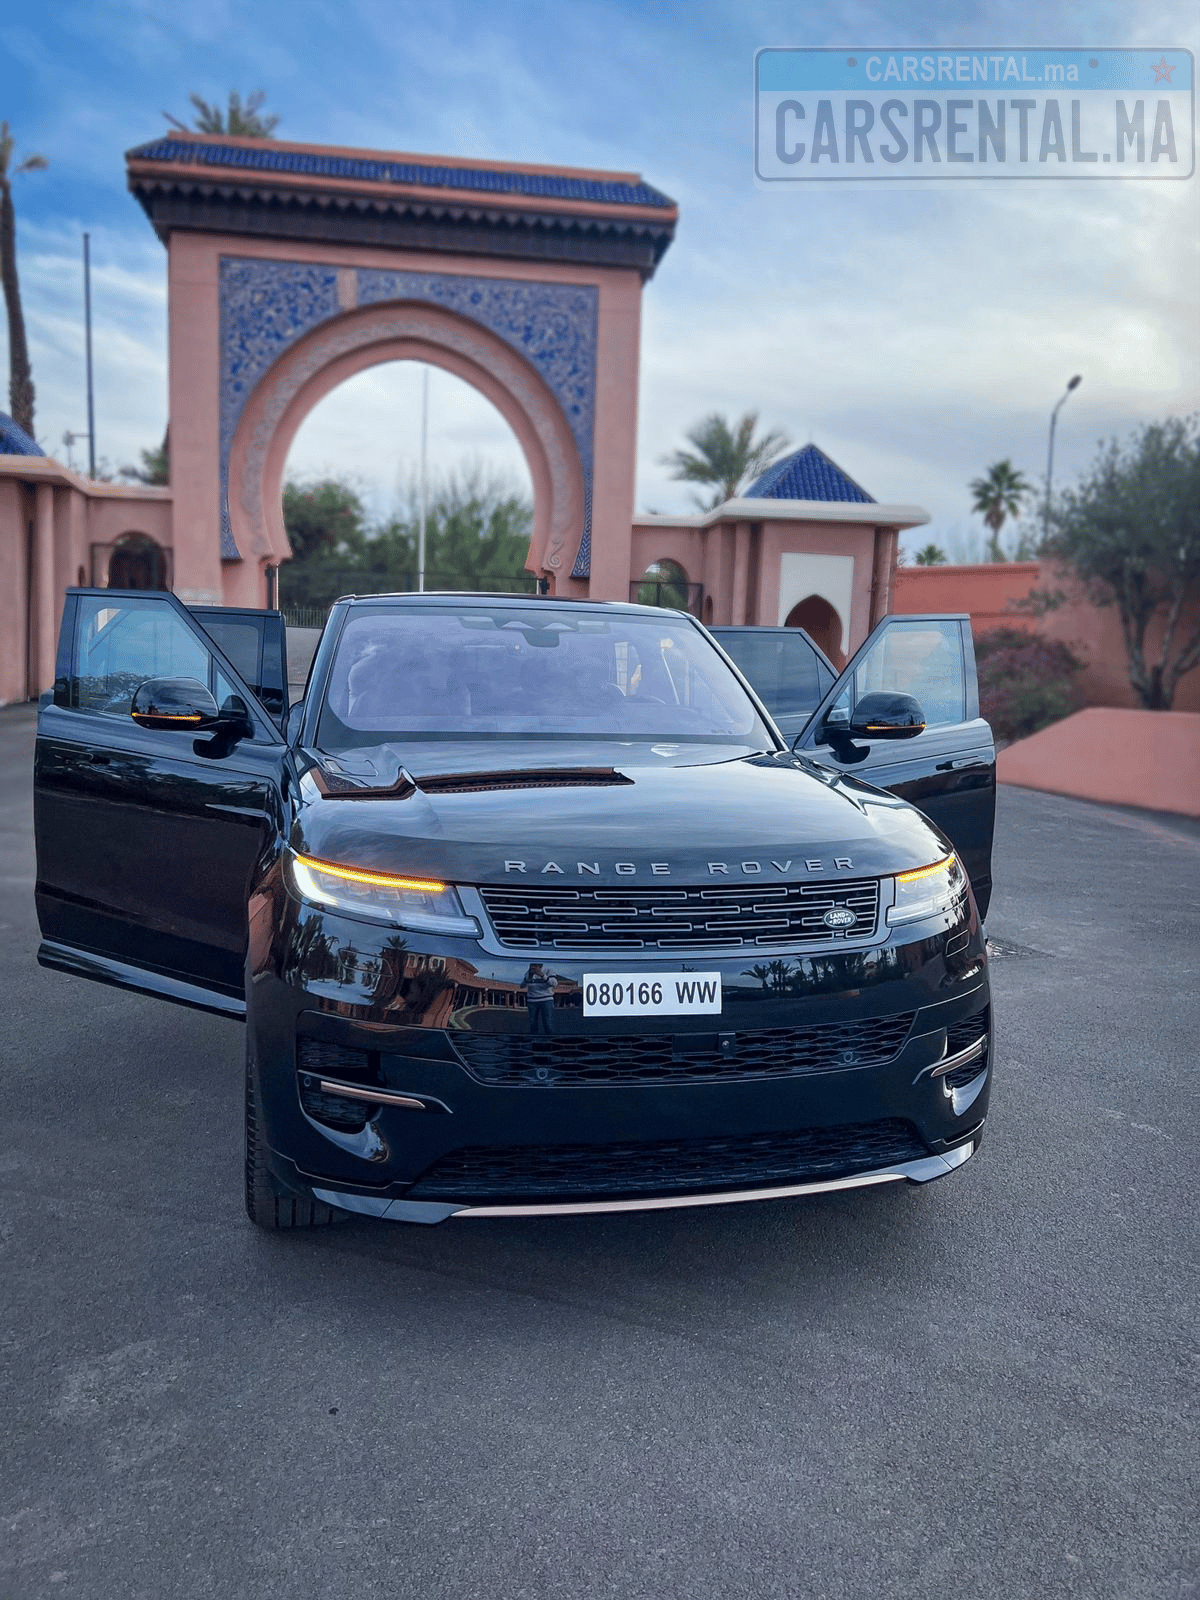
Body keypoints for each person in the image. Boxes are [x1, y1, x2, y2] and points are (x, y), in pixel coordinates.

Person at [523, 962, 557, 1034]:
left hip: (546, 1000)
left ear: (540, 966)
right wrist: (528, 977)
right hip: (532, 1000)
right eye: (531, 966)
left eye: (535, 966)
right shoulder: (528, 973)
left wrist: (542, 975)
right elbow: (522, 985)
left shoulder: (548, 971)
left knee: (547, 1022)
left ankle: (550, 1040)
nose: (533, 967)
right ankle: (534, 1040)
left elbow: (554, 984)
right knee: (532, 1022)